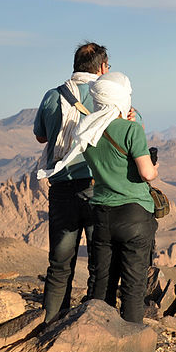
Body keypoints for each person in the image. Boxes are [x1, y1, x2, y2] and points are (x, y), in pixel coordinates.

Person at [42, 71, 158, 323]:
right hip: (135, 214)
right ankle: (129, 347)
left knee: (101, 284)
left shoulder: (86, 132)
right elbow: (147, 173)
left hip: (103, 215)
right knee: (133, 286)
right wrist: (153, 162)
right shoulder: (131, 129)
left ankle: (96, 334)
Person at [34, 42, 109, 322]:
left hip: (62, 187)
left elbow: (41, 136)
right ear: (102, 68)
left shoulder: (52, 96)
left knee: (59, 263)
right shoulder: (107, 98)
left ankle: (50, 324)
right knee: (99, 264)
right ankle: (95, 325)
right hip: (96, 187)